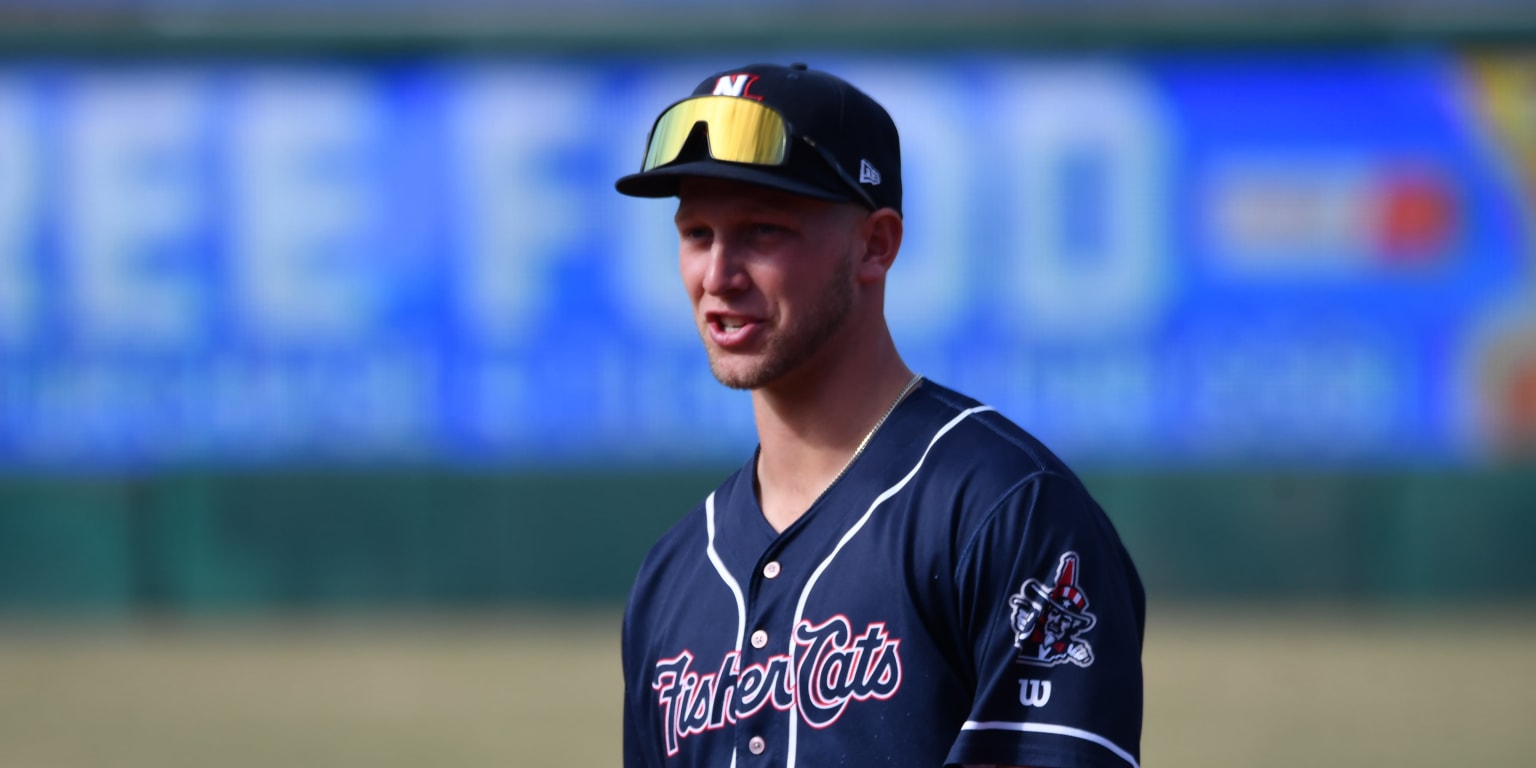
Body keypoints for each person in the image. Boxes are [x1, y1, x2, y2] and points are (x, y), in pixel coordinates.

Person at [614, 62, 1145, 768]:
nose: (718, 275)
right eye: (698, 233)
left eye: (762, 231)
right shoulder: (672, 576)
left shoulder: (1004, 512)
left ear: (876, 244)